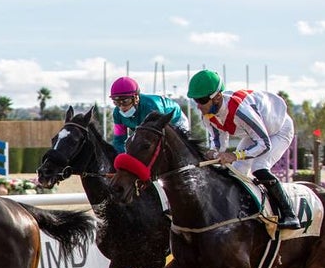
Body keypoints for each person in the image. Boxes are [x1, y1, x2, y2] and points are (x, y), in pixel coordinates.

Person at [188, 69, 302, 230]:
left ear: (217, 97)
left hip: (279, 130)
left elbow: (264, 144)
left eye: (202, 100)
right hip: (255, 133)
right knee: (236, 172)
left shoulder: (241, 111)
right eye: (195, 100)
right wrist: (212, 153)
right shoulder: (208, 115)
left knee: (259, 167)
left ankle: (290, 214)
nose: (198, 106)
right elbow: (219, 144)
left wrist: (235, 155)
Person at [109, 76, 190, 153]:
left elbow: (158, 139)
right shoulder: (117, 114)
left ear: (136, 98)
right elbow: (119, 141)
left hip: (175, 121)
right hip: (146, 128)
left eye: (125, 101)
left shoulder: (152, 107)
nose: (122, 107)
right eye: (116, 102)